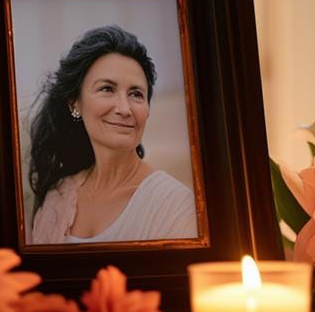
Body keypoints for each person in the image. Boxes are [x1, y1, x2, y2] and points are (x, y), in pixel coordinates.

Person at [28, 25, 197, 244]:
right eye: (107, 89)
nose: (125, 109)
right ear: (74, 103)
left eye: (136, 94)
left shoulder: (174, 204)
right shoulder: (58, 197)